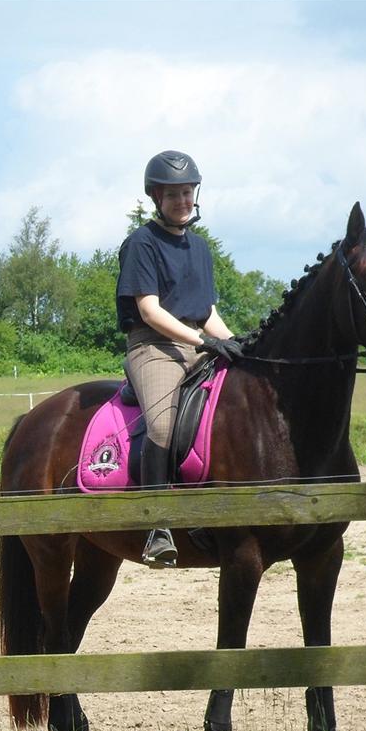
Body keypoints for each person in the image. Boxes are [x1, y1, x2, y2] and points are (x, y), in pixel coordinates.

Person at [116, 150, 244, 567]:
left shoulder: (201, 248)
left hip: (193, 343)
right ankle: (157, 526)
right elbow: (150, 309)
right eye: (173, 194)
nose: (182, 201)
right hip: (151, 346)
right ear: (156, 197)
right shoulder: (141, 244)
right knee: (164, 422)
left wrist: (238, 344)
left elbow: (206, 311)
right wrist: (202, 342)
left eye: (187, 193)